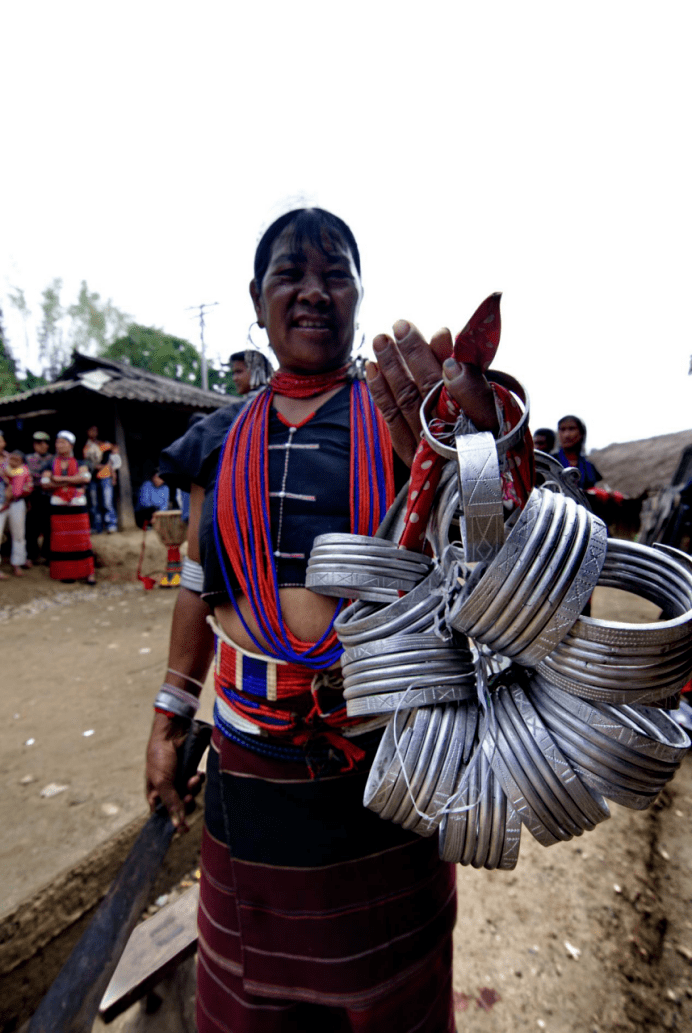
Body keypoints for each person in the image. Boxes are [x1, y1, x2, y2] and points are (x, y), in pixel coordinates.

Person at [145, 208, 528, 1033]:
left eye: (336, 275)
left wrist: (473, 453)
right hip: (250, 774)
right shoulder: (216, 442)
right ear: (257, 299)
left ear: (359, 295)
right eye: (291, 273)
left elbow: (483, 548)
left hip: (382, 766)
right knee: (249, 1000)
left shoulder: (406, 424)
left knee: (388, 993)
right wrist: (170, 716)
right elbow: (197, 581)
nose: (314, 292)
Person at [41, 431, 96, 584]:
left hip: (77, 504)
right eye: (57, 442)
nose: (59, 445)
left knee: (82, 538)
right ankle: (67, 573)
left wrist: (58, 479)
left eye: (63, 442)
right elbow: (45, 483)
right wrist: (71, 481)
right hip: (58, 505)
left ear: (71, 445)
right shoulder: (49, 463)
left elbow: (85, 478)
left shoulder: (81, 462)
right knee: (62, 540)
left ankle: (88, 573)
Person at [0, 449, 32, 576]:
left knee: (18, 534)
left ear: (21, 462)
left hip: (17, 503)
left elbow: (28, 488)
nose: (13, 462)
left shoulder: (24, 471)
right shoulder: (2, 468)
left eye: (16, 460)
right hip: (1, 503)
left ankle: (17, 563)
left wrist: (15, 494)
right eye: (12, 458)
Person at [83, 425, 119, 533]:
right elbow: (86, 461)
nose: (93, 432)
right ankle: (96, 526)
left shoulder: (103, 444)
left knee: (107, 502)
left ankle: (110, 525)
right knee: (94, 503)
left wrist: (113, 473)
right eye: (91, 430)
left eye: (95, 430)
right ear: (87, 432)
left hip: (105, 475)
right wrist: (94, 466)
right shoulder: (86, 447)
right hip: (92, 477)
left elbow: (115, 450)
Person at [25, 431, 53, 564]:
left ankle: (47, 554)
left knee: (49, 527)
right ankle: (32, 554)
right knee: (32, 527)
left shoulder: (53, 459)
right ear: (34, 445)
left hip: (50, 496)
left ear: (48, 445)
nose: (42, 446)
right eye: (38, 443)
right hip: (33, 496)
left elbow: (49, 476)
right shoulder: (28, 458)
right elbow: (30, 476)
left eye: (44, 443)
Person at [556, 414, 601, 489]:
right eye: (562, 429)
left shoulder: (588, 466)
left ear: (581, 434)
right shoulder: (549, 462)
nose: (566, 435)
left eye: (572, 429)